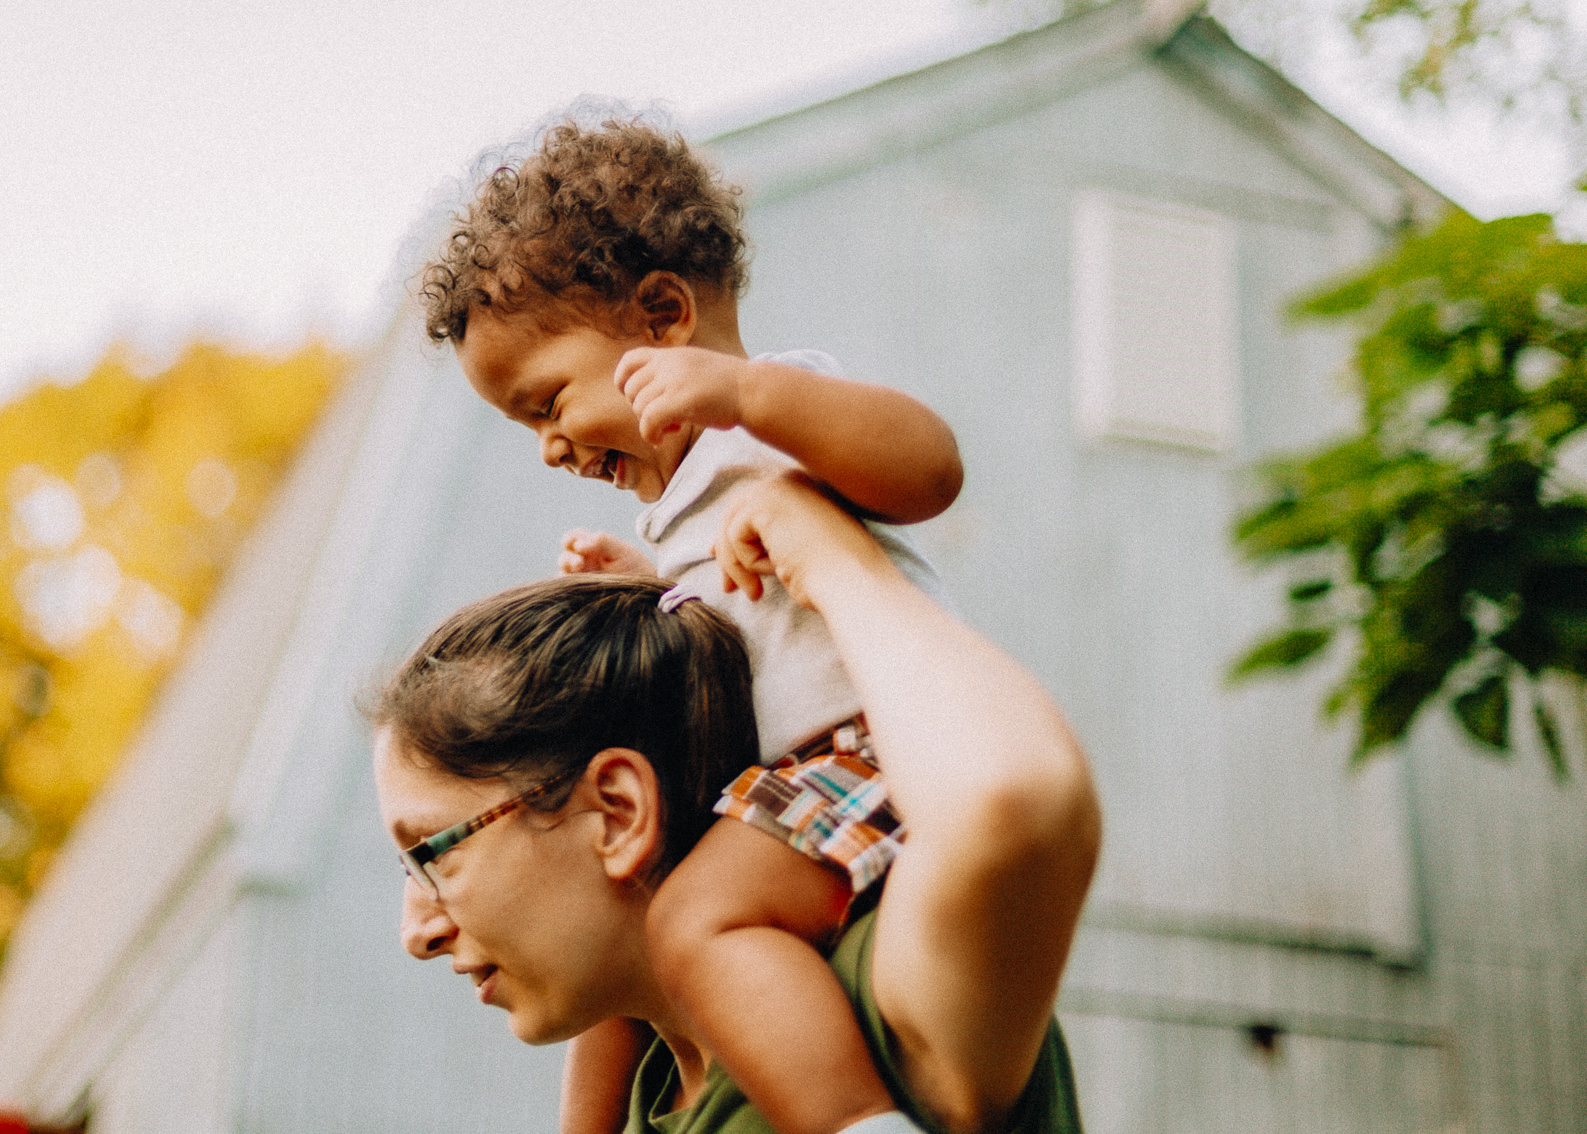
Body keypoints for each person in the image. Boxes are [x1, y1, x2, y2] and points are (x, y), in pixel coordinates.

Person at [415, 117, 965, 1134]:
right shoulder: (675, 510)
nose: (547, 448)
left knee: (694, 919)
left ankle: (853, 1120)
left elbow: (928, 467)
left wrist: (749, 393)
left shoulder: (774, 415)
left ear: (663, 315)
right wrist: (652, 581)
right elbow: (735, 625)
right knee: (621, 927)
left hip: (870, 754)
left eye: (547, 404)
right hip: (779, 789)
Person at [367, 473, 1099, 1133]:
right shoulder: (632, 1092)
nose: (415, 931)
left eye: (432, 852)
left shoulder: (882, 1006)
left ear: (618, 813)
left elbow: (1014, 796)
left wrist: (833, 564)